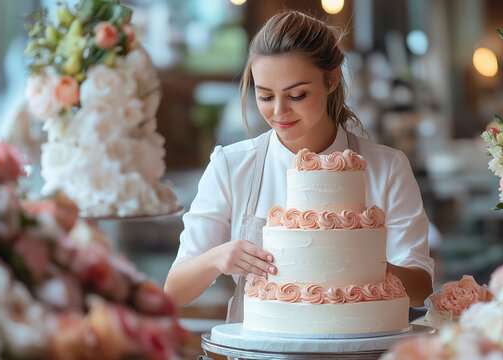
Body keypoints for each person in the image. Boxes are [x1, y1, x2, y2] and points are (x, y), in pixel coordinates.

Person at [164, 10, 433, 323]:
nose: (279, 111)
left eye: (297, 95)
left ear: (331, 79)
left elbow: (421, 288)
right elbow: (174, 292)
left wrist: (359, 261)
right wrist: (218, 257)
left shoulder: (387, 167)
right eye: (264, 96)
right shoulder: (231, 166)